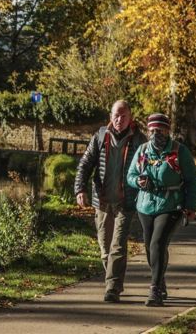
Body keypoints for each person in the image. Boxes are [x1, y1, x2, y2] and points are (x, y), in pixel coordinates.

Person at [74, 100, 147, 303]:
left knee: (117, 246)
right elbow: (85, 164)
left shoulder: (139, 140)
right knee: (105, 249)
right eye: (116, 115)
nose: (119, 120)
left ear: (130, 118)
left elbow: (147, 167)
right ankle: (113, 280)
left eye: (124, 116)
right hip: (103, 200)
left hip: (126, 201)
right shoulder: (100, 136)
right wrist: (80, 189)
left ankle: (112, 288)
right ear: (110, 116)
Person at [126, 113, 196, 306]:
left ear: (167, 131)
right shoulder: (142, 151)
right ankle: (160, 279)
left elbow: (192, 181)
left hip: (171, 205)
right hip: (145, 205)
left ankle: (154, 290)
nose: (155, 134)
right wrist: (138, 181)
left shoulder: (179, 151)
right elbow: (130, 175)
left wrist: (191, 207)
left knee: (157, 243)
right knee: (150, 248)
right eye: (151, 130)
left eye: (159, 130)